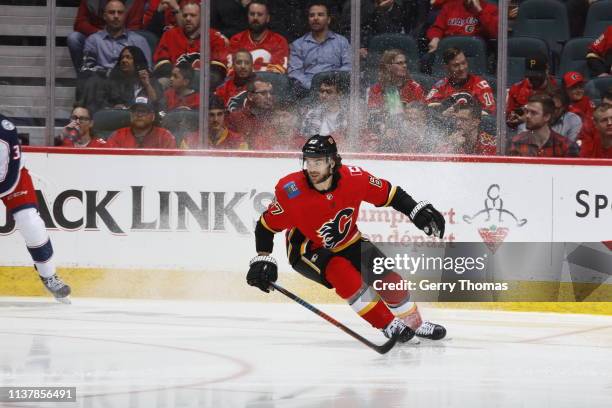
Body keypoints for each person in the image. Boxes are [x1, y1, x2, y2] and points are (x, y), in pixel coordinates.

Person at [247, 135, 447, 344]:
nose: (312, 168)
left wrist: (415, 210)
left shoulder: (355, 178)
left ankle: (414, 323)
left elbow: (391, 194)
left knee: (389, 279)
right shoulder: (291, 191)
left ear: (332, 162)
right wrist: (263, 258)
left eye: (318, 161)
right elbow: (265, 226)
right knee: (343, 273)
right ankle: (388, 325)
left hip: (350, 240)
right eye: (309, 161)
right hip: (306, 249)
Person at [0, 113, 71, 302]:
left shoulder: (5, 129)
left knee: (30, 221)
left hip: (11, 178)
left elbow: (8, 174)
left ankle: (49, 275)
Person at [153, 0, 228, 79]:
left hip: (203, 85)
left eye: (193, 15)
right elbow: (161, 64)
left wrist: (188, 78)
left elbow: (217, 72)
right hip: (173, 82)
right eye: (185, 15)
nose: (188, 19)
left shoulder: (215, 37)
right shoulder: (170, 35)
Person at [288, 2, 351, 94]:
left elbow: (349, 67)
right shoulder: (298, 44)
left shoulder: (342, 42)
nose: (315, 18)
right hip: (308, 92)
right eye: (312, 15)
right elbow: (294, 73)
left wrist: (333, 83)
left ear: (328, 19)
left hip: (336, 91)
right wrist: (313, 86)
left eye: (320, 15)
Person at [68, 0, 146, 72]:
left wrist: (118, 35)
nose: (116, 15)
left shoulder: (136, 1)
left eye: (120, 12)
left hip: (124, 35)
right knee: (74, 38)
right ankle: (82, 78)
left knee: (139, 39)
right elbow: (80, 23)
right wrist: (102, 34)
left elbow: (135, 26)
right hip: (96, 36)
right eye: (112, 12)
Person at [367, 49, 425, 134]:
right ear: (388, 66)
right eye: (399, 63)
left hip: (411, 132)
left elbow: (423, 116)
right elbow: (372, 117)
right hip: (384, 131)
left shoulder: (415, 87)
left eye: (405, 62)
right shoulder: (376, 89)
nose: (405, 66)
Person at [425, 47, 496, 115]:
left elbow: (490, 113)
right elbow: (427, 108)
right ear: (446, 67)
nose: (462, 68)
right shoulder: (441, 85)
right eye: (456, 65)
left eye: (464, 63)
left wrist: (466, 113)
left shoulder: (479, 84)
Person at [228, 0, 290, 73]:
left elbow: (277, 72)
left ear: (267, 18)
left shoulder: (279, 41)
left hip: (268, 83)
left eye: (260, 14)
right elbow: (232, 70)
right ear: (247, 16)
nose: (255, 18)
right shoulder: (236, 40)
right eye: (252, 14)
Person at [508, 94, 579, 157]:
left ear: (547, 116)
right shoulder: (516, 143)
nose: (527, 116)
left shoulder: (566, 146)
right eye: (527, 112)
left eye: (533, 113)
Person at [426, 0, 498, 54]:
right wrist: (435, 38)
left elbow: (494, 32)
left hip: (472, 55)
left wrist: (479, 10)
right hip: (449, 52)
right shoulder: (450, 6)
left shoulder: (491, 9)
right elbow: (437, 27)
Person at [506, 54, 558, 129]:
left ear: (546, 70)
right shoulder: (516, 89)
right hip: (519, 133)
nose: (533, 79)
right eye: (530, 76)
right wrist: (512, 120)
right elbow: (508, 117)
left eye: (537, 76)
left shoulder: (556, 89)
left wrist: (526, 120)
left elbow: (559, 119)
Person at [226, 77, 276, 149]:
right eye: (263, 93)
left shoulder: (278, 117)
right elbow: (229, 146)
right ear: (250, 96)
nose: (269, 96)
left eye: (270, 93)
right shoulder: (235, 118)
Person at [106, 97, 177, 148]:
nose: (139, 115)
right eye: (135, 111)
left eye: (143, 111)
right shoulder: (117, 136)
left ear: (153, 116)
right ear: (130, 115)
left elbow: (171, 164)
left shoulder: (165, 136)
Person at [301, 74, 348, 139]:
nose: (323, 95)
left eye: (329, 92)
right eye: (321, 91)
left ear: (339, 94)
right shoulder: (311, 114)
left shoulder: (348, 115)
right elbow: (304, 140)